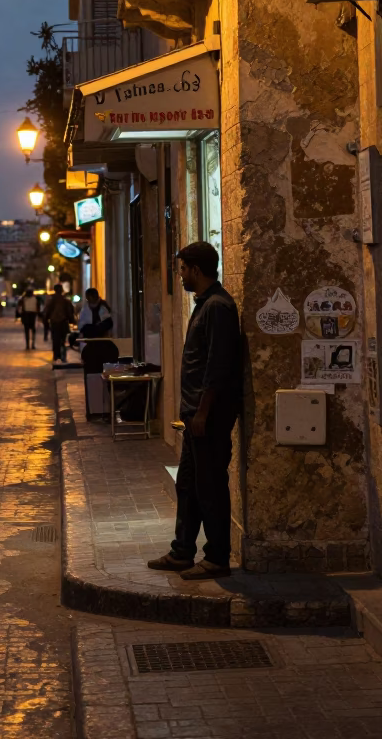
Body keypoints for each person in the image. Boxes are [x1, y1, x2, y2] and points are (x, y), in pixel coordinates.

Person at [147, 241, 241, 580]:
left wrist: (201, 413)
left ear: (196, 271)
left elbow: (218, 366)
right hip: (195, 417)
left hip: (209, 418)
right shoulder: (205, 304)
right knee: (187, 483)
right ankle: (182, 551)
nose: (181, 275)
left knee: (211, 486)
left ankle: (217, 557)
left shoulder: (217, 306)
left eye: (183, 269)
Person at [43, 284, 75, 363]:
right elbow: (70, 311)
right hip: (63, 322)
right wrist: (72, 320)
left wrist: (46, 321)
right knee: (62, 340)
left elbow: (47, 312)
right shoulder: (65, 300)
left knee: (55, 340)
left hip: (54, 323)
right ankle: (62, 355)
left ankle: (56, 355)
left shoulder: (51, 300)